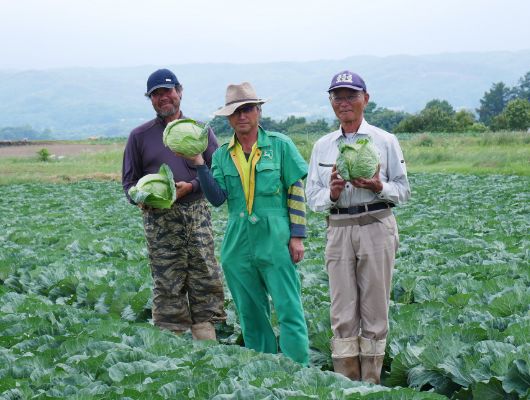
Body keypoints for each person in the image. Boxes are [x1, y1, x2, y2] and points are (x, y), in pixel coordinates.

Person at [184, 82, 310, 365]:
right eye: (236, 111)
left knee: (289, 308)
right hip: (238, 239)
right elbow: (217, 199)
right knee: (250, 314)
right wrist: (198, 165)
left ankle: (300, 371)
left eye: (248, 109)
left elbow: (296, 189)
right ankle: (264, 372)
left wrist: (297, 235)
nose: (242, 116)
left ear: (258, 112)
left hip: (275, 235)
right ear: (228, 118)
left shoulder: (280, 146)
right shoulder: (220, 155)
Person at [306, 71, 411, 383]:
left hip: (376, 223)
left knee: (375, 311)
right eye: (337, 97)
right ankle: (347, 383)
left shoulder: (385, 141)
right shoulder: (322, 146)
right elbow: (312, 197)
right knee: (341, 313)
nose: (344, 102)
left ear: (366, 98)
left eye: (351, 95)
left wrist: (379, 185)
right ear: (331, 102)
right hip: (338, 228)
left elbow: (403, 191)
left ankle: (371, 383)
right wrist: (333, 193)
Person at [121, 68, 226, 340]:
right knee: (168, 284)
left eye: (167, 91)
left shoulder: (200, 131)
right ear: (151, 99)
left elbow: (217, 174)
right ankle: (172, 350)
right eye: (156, 94)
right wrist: (142, 198)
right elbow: (129, 183)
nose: (163, 97)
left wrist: (190, 187)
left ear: (179, 91)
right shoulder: (139, 136)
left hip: (197, 217)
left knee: (205, 279)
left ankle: (207, 345)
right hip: (160, 222)